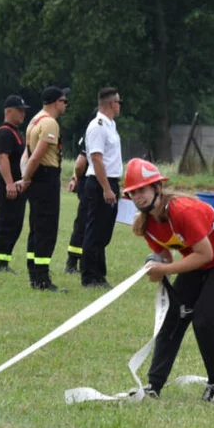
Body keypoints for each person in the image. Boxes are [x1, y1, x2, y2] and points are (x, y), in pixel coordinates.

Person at [122, 158, 214, 402]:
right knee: (173, 316)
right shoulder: (146, 224)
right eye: (133, 192)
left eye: (142, 189)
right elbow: (166, 256)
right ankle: (154, 386)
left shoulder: (182, 210)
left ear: (157, 187)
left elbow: (206, 254)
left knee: (203, 320)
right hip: (198, 260)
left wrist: (165, 268)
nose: (138, 196)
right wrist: (154, 266)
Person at [20, 86, 69, 292]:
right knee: (46, 229)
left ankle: (34, 272)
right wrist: (26, 178)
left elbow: (26, 155)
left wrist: (25, 177)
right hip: (46, 177)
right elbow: (37, 155)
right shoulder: (50, 123)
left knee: (36, 226)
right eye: (64, 101)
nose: (66, 105)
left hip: (36, 178)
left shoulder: (34, 120)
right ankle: (42, 279)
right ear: (55, 102)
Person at [80, 88, 124, 289]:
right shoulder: (97, 126)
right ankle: (89, 276)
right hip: (99, 183)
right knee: (95, 230)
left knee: (104, 231)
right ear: (111, 104)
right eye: (118, 102)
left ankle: (99, 274)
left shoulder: (110, 125)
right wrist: (106, 188)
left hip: (110, 181)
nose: (120, 106)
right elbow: (96, 159)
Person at [0, 94, 30, 273]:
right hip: (9, 186)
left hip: (18, 186)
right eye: (19, 110)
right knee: (6, 222)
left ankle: (5, 260)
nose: (23, 114)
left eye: (24, 111)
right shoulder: (5, 132)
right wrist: (9, 183)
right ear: (8, 111)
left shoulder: (16, 132)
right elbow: (2, 158)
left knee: (15, 223)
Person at [63, 129, 90, 275]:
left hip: (86, 182)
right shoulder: (95, 132)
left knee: (85, 224)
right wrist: (76, 178)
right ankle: (71, 263)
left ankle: (83, 261)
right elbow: (80, 163)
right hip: (90, 184)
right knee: (83, 225)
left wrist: (75, 178)